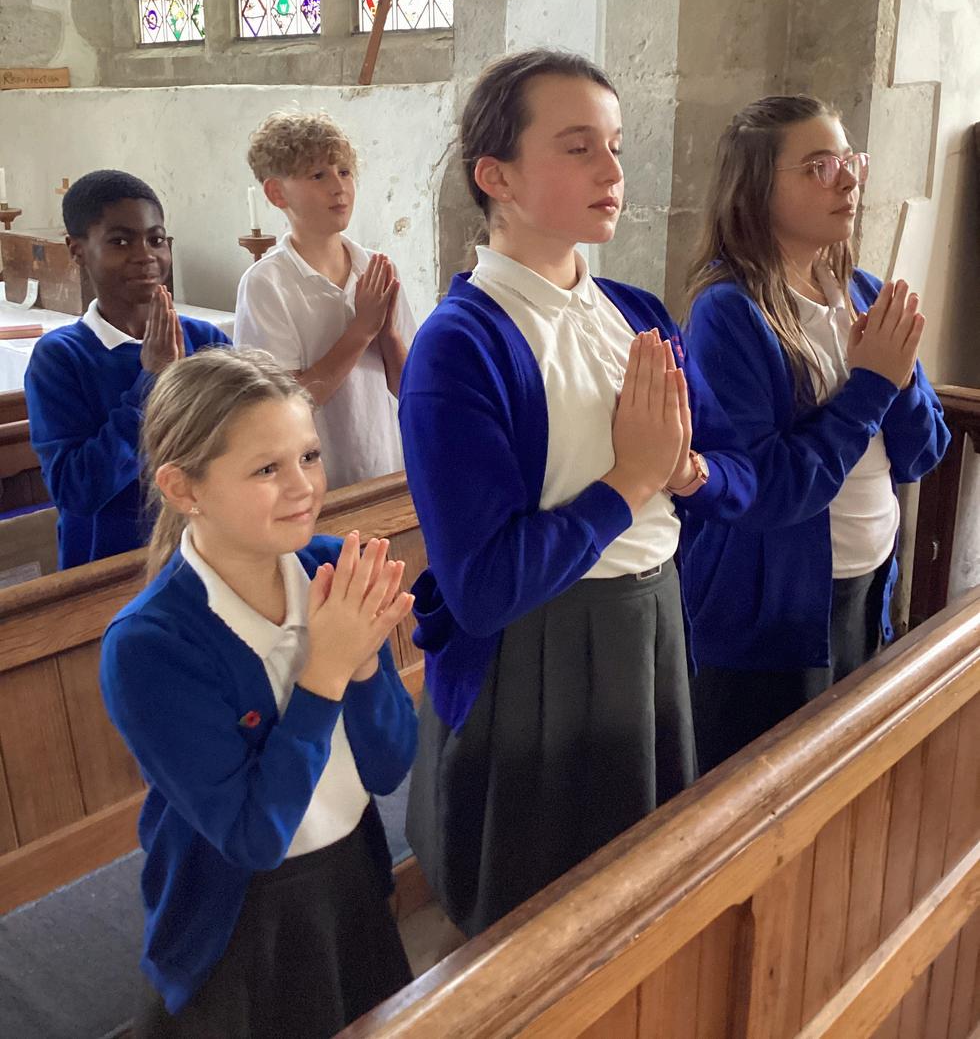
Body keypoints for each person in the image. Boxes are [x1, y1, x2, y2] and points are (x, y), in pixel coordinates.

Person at [398, 49, 755, 936]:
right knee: (535, 916)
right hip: (538, 650)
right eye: (577, 147)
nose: (612, 172)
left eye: (616, 146)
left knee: (639, 891)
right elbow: (482, 586)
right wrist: (630, 480)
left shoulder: (636, 313)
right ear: (497, 176)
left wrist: (688, 472)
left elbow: (733, 476)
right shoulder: (460, 345)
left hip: (651, 621)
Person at [100, 348, 417, 1038]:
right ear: (183, 488)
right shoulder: (150, 645)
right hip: (236, 925)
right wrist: (325, 673)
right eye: (267, 469)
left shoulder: (331, 568)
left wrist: (364, 664)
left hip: (349, 882)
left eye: (309, 456)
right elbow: (253, 836)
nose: (303, 486)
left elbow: (390, 766)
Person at [683, 95, 950, 771]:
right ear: (757, 190)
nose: (849, 179)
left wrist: (896, 380)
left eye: (850, 160)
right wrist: (871, 386)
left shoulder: (861, 291)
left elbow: (923, 453)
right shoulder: (728, 313)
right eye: (819, 166)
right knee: (766, 796)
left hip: (866, 590)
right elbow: (763, 489)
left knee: (845, 782)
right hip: (772, 616)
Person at [25, 169, 229, 568]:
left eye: (156, 239)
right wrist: (152, 382)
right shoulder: (61, 358)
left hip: (209, 556)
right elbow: (77, 491)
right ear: (77, 250)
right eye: (120, 241)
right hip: (111, 570)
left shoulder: (206, 340)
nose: (145, 255)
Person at [234, 111, 416, 489]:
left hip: (389, 470)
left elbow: (411, 389)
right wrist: (361, 331)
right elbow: (281, 409)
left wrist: (387, 336)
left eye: (344, 172)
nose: (339, 188)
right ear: (277, 193)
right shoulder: (267, 284)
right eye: (318, 175)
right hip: (314, 489)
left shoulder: (375, 268)